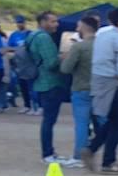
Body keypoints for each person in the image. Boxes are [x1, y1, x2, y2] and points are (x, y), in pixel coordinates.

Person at [82, 8, 118, 175]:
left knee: (113, 121)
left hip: (98, 80)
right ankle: (107, 161)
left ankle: (92, 149)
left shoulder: (103, 35)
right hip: (112, 83)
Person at [28, 12, 67, 163]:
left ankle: (48, 152)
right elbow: (51, 63)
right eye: (53, 21)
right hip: (50, 82)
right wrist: (62, 57)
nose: (56, 24)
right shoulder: (43, 38)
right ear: (42, 22)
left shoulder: (32, 35)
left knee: (47, 120)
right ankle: (48, 153)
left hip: (40, 81)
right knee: (49, 121)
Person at [60, 17, 98, 167]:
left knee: (82, 124)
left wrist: (65, 58)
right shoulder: (103, 46)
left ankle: (79, 156)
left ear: (84, 27)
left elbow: (66, 69)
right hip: (100, 89)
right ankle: (105, 155)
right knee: (102, 123)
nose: (77, 30)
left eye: (78, 27)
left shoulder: (79, 47)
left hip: (81, 88)